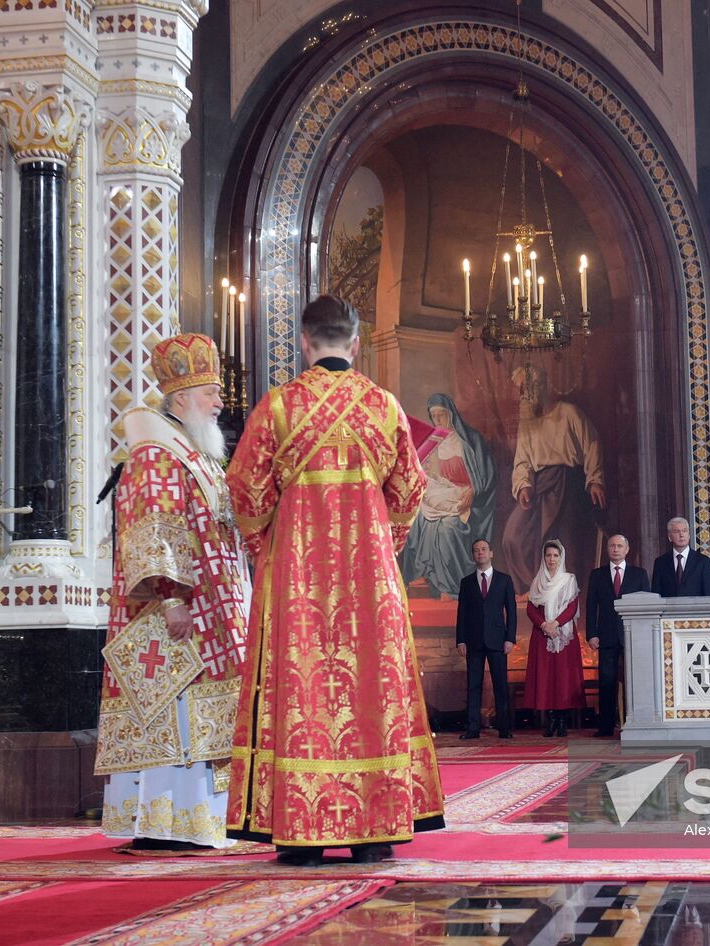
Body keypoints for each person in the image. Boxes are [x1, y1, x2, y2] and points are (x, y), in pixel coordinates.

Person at [224, 295, 443, 866]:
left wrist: (266, 547)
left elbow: (245, 489)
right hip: (370, 578)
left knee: (303, 692)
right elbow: (410, 490)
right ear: (356, 342)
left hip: (296, 579)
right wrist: (385, 543)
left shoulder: (278, 407)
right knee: (372, 688)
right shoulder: (385, 407)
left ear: (304, 341)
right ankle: (375, 831)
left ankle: (301, 834)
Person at [94, 334, 250, 851]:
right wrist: (172, 597)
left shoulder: (197, 454)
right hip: (178, 613)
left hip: (213, 607)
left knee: (203, 714)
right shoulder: (156, 453)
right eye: (211, 392)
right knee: (174, 709)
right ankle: (168, 822)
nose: (221, 401)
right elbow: (151, 526)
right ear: (180, 399)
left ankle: (202, 819)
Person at [501, 364, 606, 589]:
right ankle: (535, 588)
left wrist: (595, 480)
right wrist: (523, 485)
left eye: (528, 389)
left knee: (563, 541)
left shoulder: (568, 412)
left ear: (541, 387)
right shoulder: (527, 423)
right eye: (522, 391)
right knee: (513, 536)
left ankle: (562, 593)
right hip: (540, 487)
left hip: (569, 484)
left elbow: (592, 444)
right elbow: (522, 460)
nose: (524, 396)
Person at [402, 393, 496, 598]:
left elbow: (486, 475)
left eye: (442, 415)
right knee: (419, 516)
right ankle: (425, 573)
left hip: (468, 498)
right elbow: (429, 474)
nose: (438, 420)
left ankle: (449, 586)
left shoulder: (470, 440)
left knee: (447, 527)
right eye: (434, 416)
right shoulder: (434, 441)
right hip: (444, 492)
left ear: (451, 414)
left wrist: (473, 490)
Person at [585, 534, 650, 737]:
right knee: (607, 681)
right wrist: (591, 634)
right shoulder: (597, 575)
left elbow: (647, 606)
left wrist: (645, 635)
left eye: (619, 546)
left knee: (635, 681)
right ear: (607, 549)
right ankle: (606, 726)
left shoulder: (639, 574)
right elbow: (591, 606)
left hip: (633, 636)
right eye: (612, 546)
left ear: (627, 549)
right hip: (606, 636)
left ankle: (638, 724)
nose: (615, 549)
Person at [455, 539, 517, 739]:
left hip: (498, 641)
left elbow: (512, 612)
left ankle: (504, 728)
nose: (480, 553)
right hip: (473, 641)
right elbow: (462, 613)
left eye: (483, 549)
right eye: (476, 550)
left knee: (500, 684)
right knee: (473, 685)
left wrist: (510, 638)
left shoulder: (504, 580)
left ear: (491, 553)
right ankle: (472, 728)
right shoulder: (466, 582)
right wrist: (461, 640)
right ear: (473, 555)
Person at [524, 540, 585, 737]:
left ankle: (562, 721)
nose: (552, 559)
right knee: (546, 677)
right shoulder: (537, 581)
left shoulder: (569, 580)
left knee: (563, 677)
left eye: (555, 556)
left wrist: (556, 624)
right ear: (544, 558)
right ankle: (550, 720)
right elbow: (531, 609)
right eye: (548, 555)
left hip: (563, 635)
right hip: (542, 636)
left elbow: (572, 607)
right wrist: (544, 625)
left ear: (561, 558)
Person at [651, 517, 710, 597]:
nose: (681, 535)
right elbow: (656, 594)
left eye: (684, 531)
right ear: (669, 537)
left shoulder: (703, 562)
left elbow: (709, 594)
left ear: (689, 535)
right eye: (676, 531)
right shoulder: (660, 562)